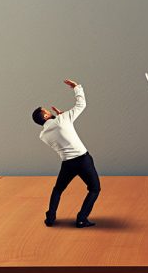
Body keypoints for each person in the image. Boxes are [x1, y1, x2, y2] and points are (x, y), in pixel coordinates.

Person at [32, 79, 100, 228]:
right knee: (94, 189)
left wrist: (63, 118)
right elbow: (81, 105)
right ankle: (81, 219)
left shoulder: (43, 135)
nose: (49, 111)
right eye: (46, 111)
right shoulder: (62, 119)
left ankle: (50, 218)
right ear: (45, 116)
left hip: (67, 163)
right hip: (83, 160)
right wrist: (77, 88)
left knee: (58, 189)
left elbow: (60, 133)